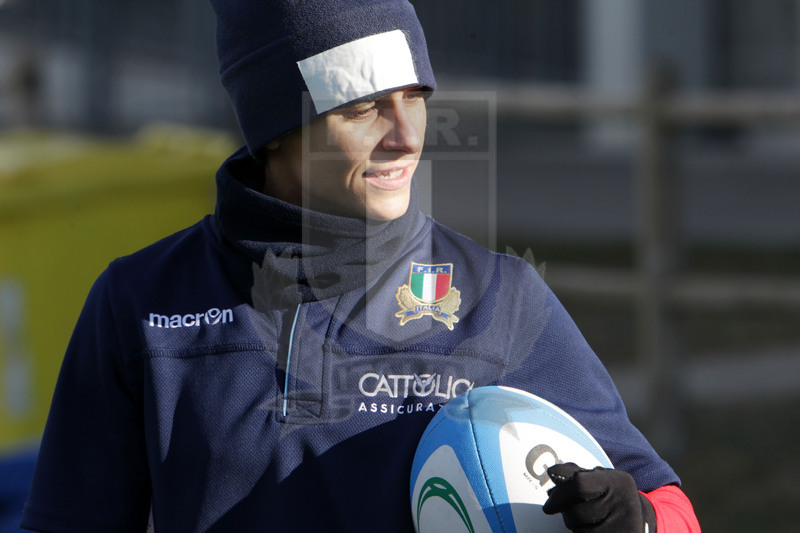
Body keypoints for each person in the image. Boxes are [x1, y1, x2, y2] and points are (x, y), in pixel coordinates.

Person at [21, 1, 701, 532]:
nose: (405, 136)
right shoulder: (142, 301)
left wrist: (631, 516)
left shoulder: (498, 296)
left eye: (416, 98)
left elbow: (669, 505)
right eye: (364, 107)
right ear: (276, 128)